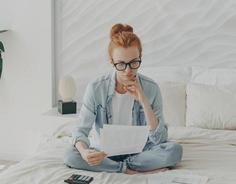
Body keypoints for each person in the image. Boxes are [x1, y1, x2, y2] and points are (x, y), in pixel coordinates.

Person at [63, 23, 183, 174]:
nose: (128, 71)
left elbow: (159, 139)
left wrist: (143, 100)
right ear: (111, 62)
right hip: (104, 153)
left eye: (134, 63)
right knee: (71, 155)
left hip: (141, 152)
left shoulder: (151, 88)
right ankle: (126, 168)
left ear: (140, 58)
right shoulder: (96, 88)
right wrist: (85, 153)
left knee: (174, 150)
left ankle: (121, 166)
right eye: (121, 64)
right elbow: (80, 131)